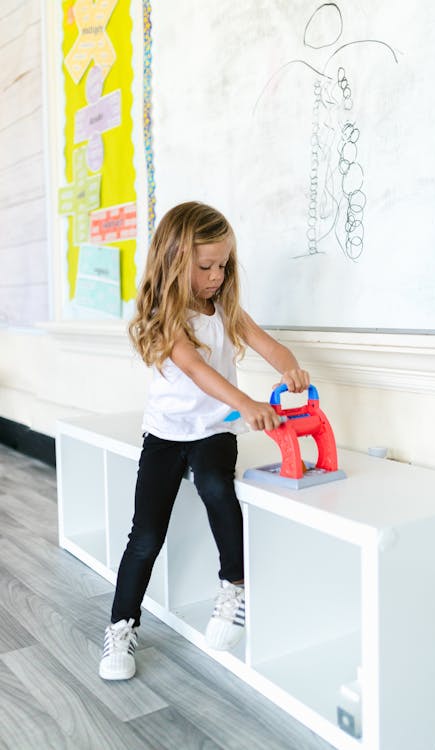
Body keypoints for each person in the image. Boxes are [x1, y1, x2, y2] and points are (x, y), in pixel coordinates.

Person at [99, 201, 310, 680]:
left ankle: (234, 586)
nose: (216, 276)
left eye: (223, 265)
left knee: (217, 487)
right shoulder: (167, 314)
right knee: (145, 536)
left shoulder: (226, 308)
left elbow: (269, 345)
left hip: (213, 431)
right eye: (205, 266)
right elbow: (195, 372)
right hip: (165, 436)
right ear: (176, 262)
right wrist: (250, 401)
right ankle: (120, 627)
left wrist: (289, 367)